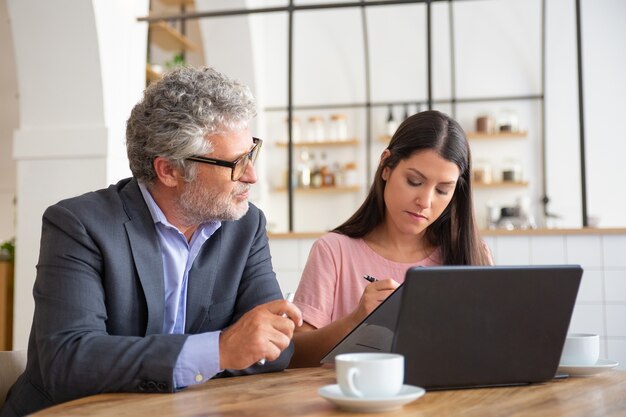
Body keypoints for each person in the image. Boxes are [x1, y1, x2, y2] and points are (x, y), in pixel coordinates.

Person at [0, 66, 302, 417]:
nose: (251, 175)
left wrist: (235, 348)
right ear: (169, 170)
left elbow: (273, 348)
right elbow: (69, 361)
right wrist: (218, 351)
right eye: (235, 163)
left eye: (251, 154)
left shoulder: (245, 225)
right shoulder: (79, 225)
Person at [290, 110, 492, 368]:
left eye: (443, 190)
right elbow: (294, 355)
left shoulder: (473, 254)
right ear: (386, 166)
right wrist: (356, 320)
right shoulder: (333, 251)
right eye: (414, 181)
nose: (425, 202)